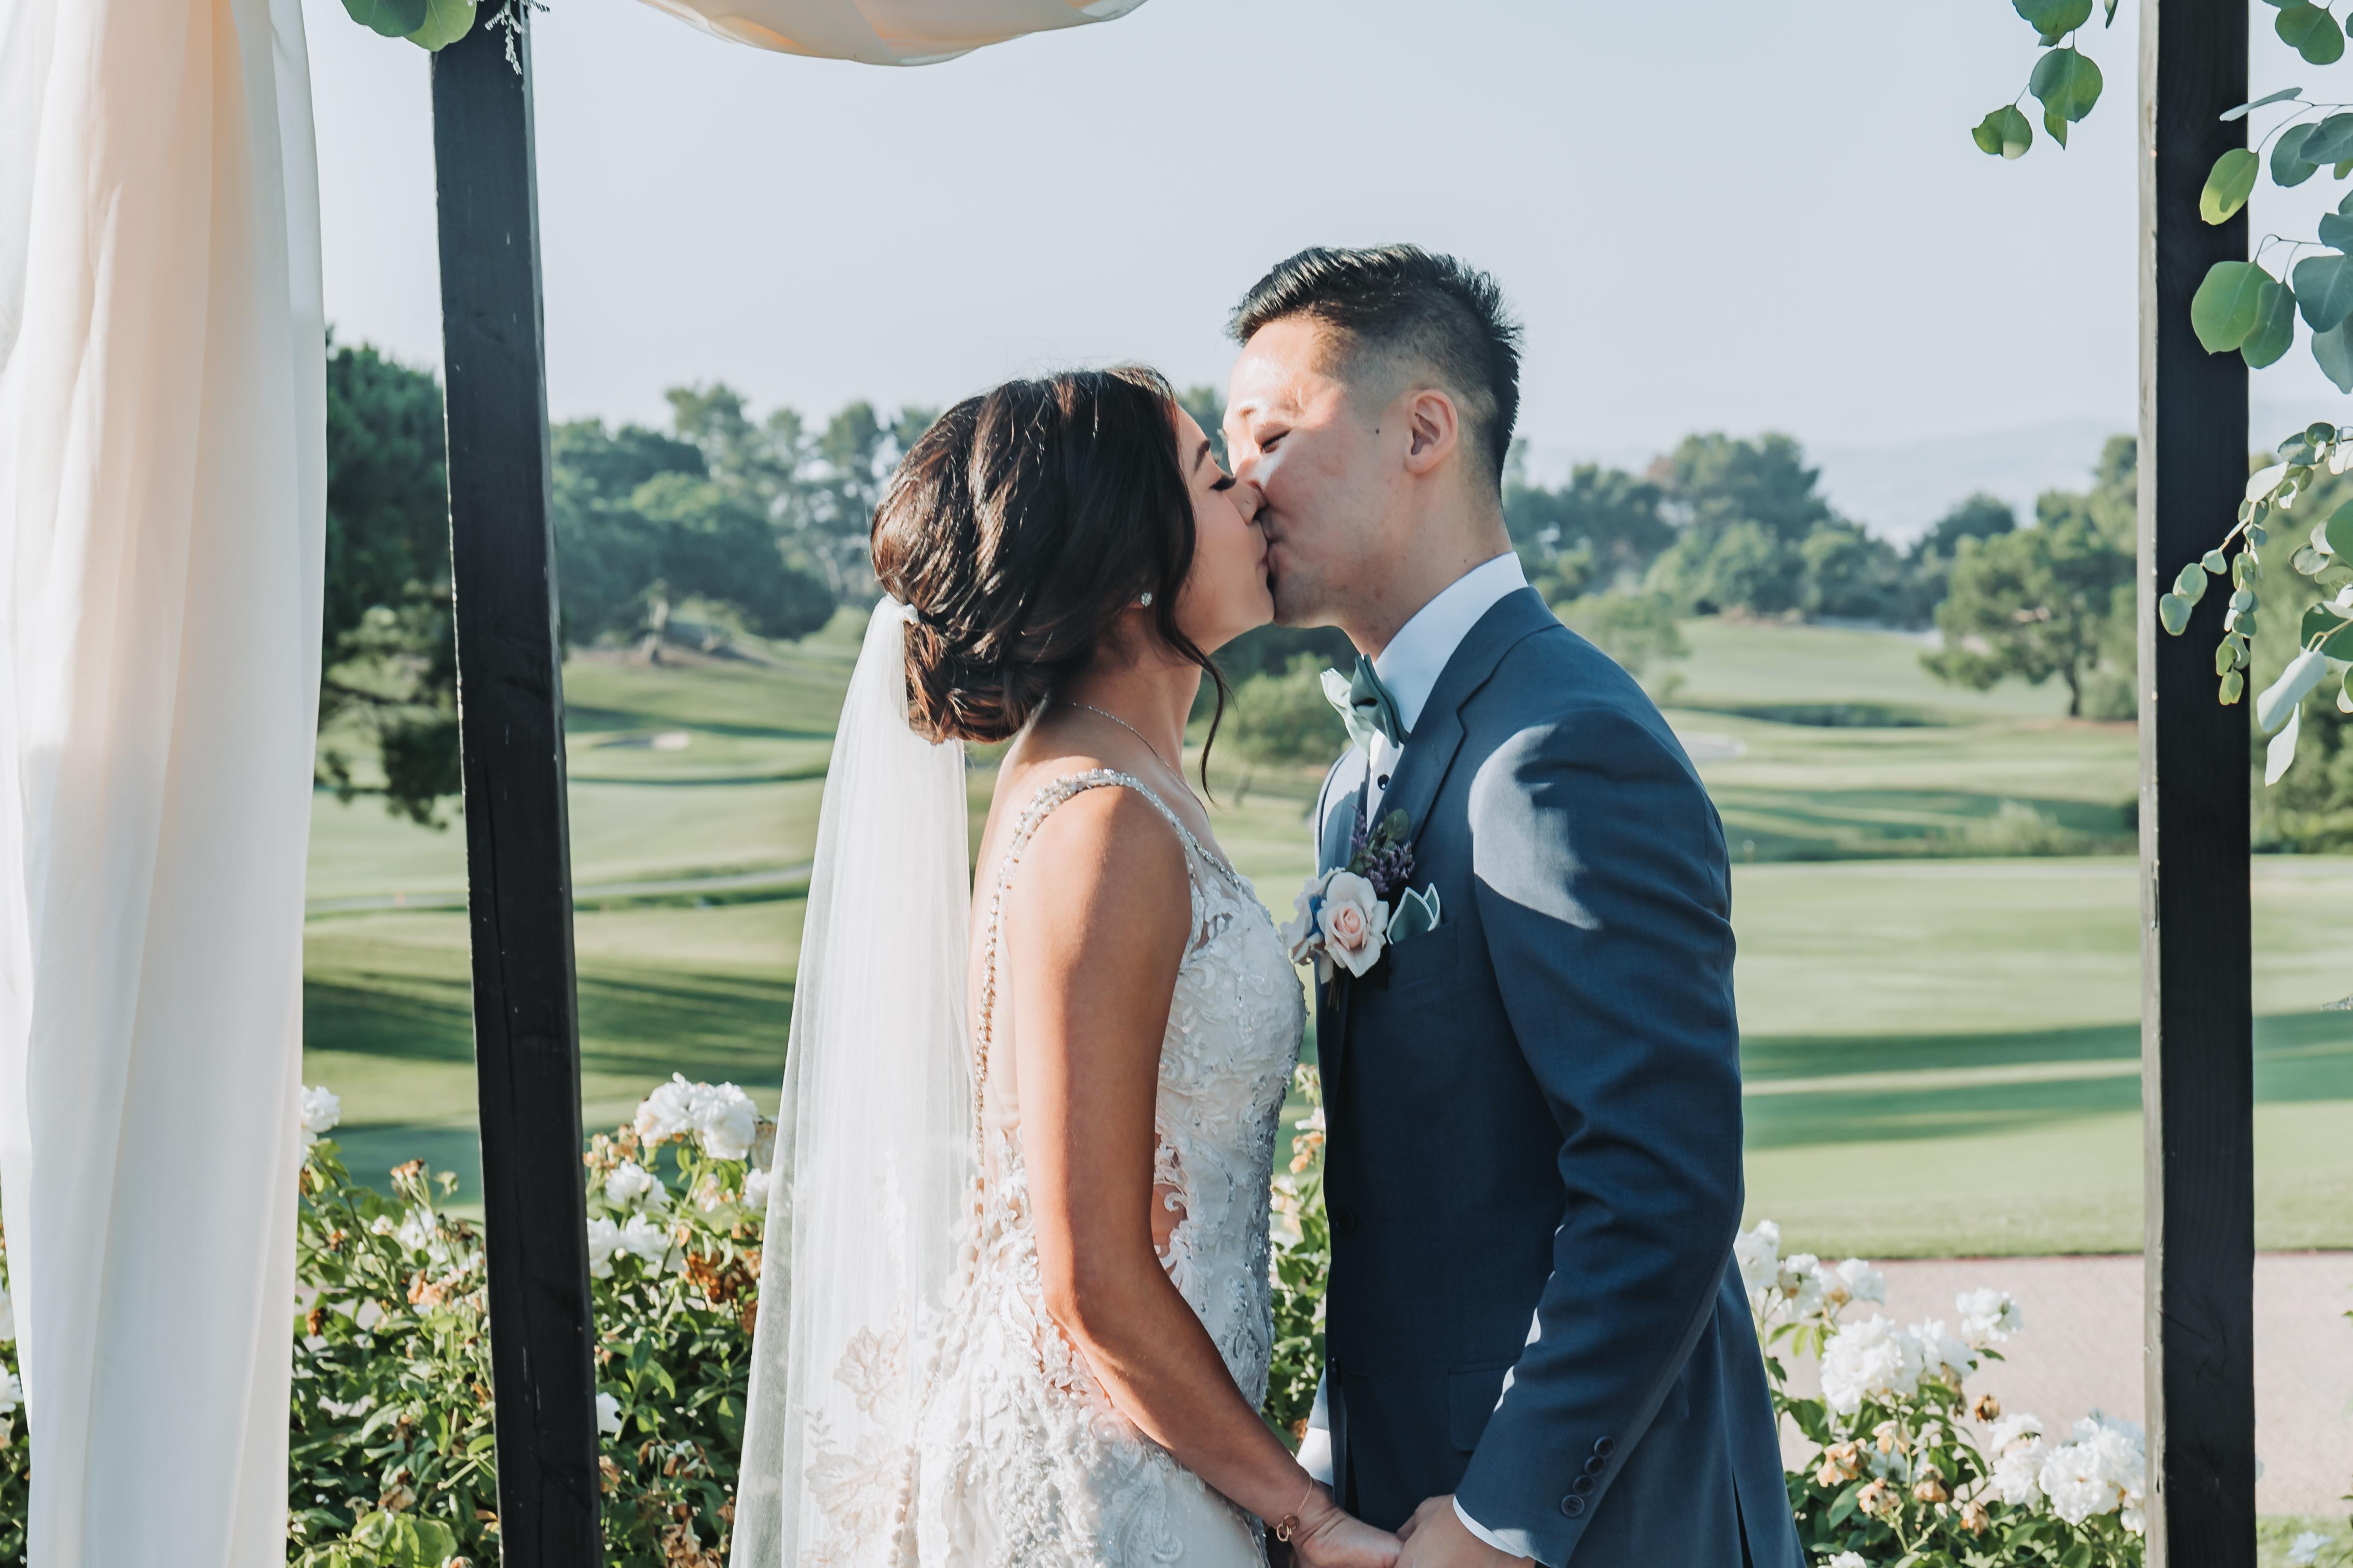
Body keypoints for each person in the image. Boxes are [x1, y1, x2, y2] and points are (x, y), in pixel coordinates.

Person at [732, 366, 1400, 1567]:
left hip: (1153, 1444)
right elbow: (1089, 1272)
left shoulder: (1114, 780)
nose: (1252, 494)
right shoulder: (1104, 825)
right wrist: (1305, 1515)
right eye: (1214, 478)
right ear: (1133, 567)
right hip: (1101, 1481)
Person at [1223, 246, 1800, 1568]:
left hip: (1595, 1525)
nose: (1244, 485)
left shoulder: (1560, 748)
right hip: (1409, 1495)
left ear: (1424, 430)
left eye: (1272, 435)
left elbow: (1659, 1187)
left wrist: (1501, 1523)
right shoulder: (1359, 778)